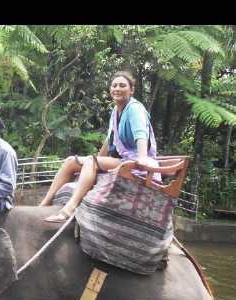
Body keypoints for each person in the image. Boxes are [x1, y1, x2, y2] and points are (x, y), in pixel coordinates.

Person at [41, 71, 160, 223]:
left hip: (136, 164)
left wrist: (142, 158)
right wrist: (97, 157)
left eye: (122, 85)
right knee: (72, 161)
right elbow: (109, 140)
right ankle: (45, 203)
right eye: (114, 85)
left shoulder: (134, 109)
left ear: (132, 90)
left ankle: (69, 209)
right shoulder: (115, 112)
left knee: (91, 162)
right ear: (110, 90)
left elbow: (141, 135)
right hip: (124, 160)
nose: (117, 88)